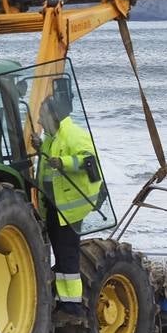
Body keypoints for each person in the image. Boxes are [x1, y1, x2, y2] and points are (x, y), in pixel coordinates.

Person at [39, 80, 106, 312]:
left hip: (70, 208)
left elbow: (90, 161)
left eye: (42, 116)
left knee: (67, 256)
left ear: (53, 116)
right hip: (55, 207)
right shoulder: (52, 138)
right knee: (59, 253)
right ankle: (61, 299)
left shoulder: (74, 135)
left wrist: (64, 162)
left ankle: (72, 305)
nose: (39, 121)